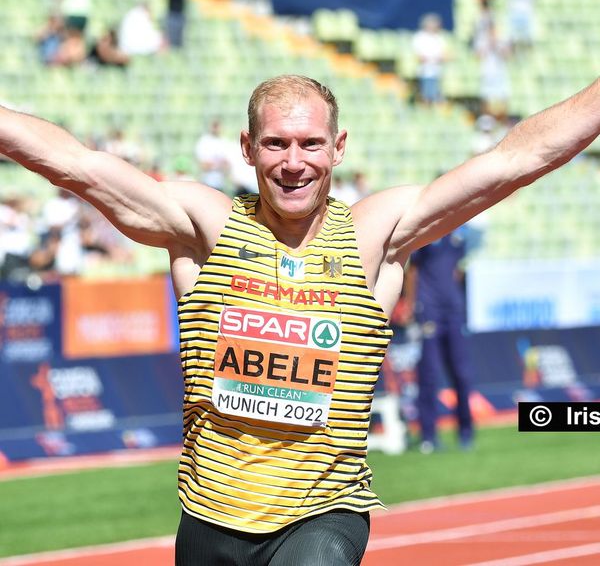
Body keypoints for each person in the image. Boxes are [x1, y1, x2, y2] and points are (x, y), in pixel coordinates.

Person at [0, 74, 598, 565]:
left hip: (323, 516)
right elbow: (73, 164)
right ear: (246, 148)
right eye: (275, 144)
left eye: (311, 144)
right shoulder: (203, 227)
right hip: (209, 519)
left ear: (338, 148)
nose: (294, 163)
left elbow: (517, 159)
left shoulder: (375, 235)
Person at [404, 227, 475, 453]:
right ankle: (428, 436)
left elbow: (458, 271)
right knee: (429, 375)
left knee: (462, 375)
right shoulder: (426, 235)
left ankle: (466, 433)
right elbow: (413, 271)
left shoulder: (459, 237)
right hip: (430, 312)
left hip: (453, 312)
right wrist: (411, 304)